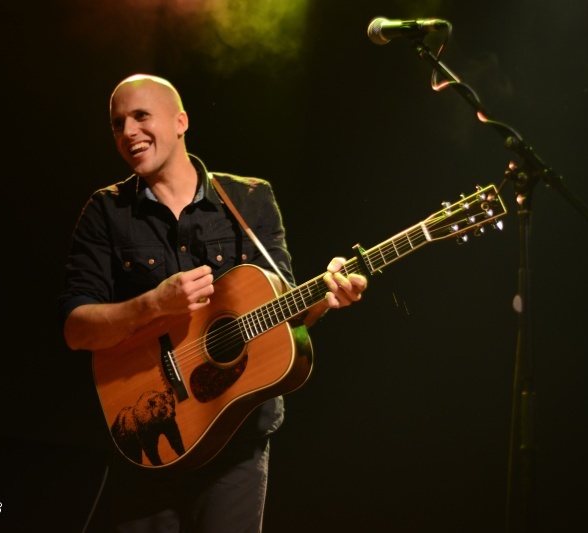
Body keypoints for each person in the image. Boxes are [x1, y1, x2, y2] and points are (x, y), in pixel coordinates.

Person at [58, 74, 367, 532]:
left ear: (180, 121)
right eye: (117, 123)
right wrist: (153, 304)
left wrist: (325, 296)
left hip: (237, 444)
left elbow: (284, 307)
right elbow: (77, 330)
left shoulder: (249, 199)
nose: (128, 133)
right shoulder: (106, 211)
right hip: (148, 441)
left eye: (141, 116)